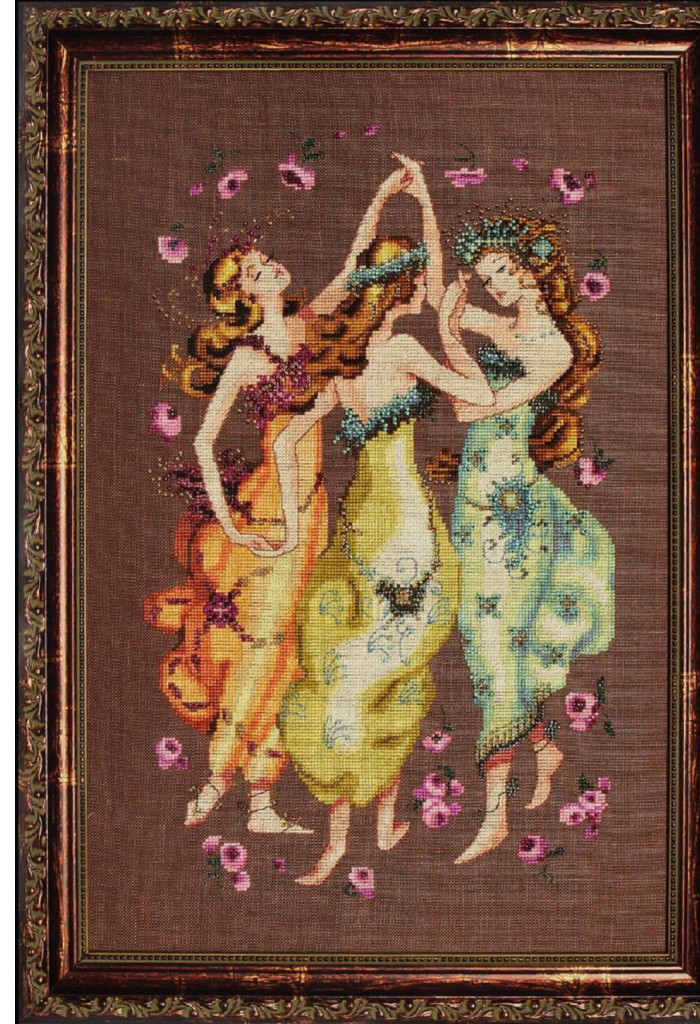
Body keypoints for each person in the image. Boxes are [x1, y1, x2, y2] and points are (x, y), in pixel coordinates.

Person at [143, 161, 417, 832]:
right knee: (262, 645)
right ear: (244, 292)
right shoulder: (247, 358)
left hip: (309, 508)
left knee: (292, 650)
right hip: (273, 509)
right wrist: (235, 527)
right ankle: (216, 780)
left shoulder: (311, 323)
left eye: (267, 261)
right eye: (258, 269)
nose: (273, 267)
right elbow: (206, 442)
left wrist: (384, 194)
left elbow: (355, 265)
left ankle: (261, 798)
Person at [268, 162, 495, 886]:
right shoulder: (402, 350)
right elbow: (478, 396)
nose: (427, 289)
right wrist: (451, 330)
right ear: (404, 289)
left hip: (364, 521)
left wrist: (292, 523)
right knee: (390, 665)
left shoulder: (346, 363)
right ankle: (361, 827)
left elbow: (284, 441)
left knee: (361, 666)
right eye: (419, 281)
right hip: (402, 527)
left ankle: (360, 828)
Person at [439, 215, 615, 864]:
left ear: (532, 272)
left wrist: (450, 334)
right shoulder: (506, 327)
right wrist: (420, 196)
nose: (496, 288)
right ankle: (543, 747)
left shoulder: (554, 348)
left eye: (503, 275)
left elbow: (471, 406)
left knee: (496, 650)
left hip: (513, 515)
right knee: (484, 641)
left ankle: (495, 814)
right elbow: (439, 298)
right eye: (488, 280)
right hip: (475, 503)